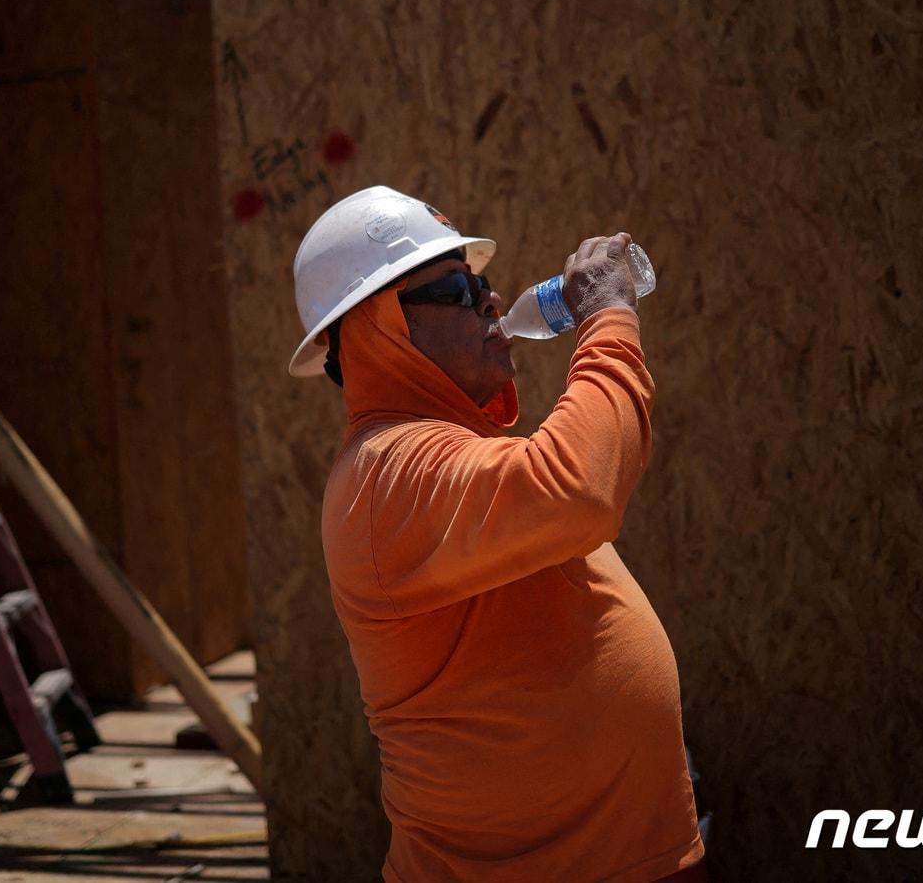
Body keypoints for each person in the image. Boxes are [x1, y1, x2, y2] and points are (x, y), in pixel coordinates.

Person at [289, 186, 706, 882]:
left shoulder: (444, 452)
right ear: (377, 330)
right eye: (456, 288)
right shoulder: (385, 472)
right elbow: (580, 487)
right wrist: (606, 316)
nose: (489, 300)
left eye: (481, 282)